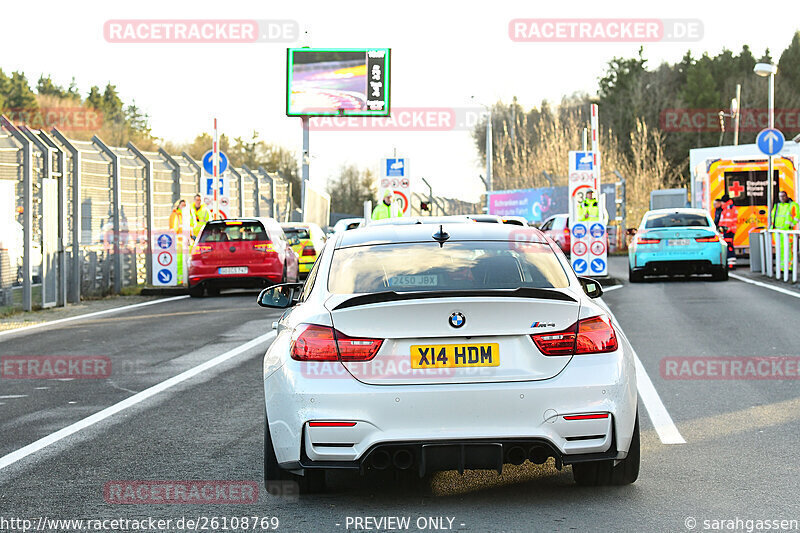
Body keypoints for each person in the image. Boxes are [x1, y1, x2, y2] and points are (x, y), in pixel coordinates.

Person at [771, 191, 800, 270]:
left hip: (788, 231)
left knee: (788, 249)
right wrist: (771, 227)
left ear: (786, 196)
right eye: (780, 196)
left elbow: (797, 216)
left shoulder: (792, 205)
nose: (782, 198)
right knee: (780, 249)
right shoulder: (777, 205)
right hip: (778, 231)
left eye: (783, 196)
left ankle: (789, 267)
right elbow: (773, 216)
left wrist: (791, 224)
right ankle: (782, 267)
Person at [168, 199, 186, 283]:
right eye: (182, 205)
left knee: (184, 262)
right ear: (178, 205)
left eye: (185, 205)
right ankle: (179, 280)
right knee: (179, 261)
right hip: (178, 242)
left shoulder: (185, 215)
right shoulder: (175, 215)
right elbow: (172, 230)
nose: (183, 207)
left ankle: (183, 279)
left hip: (185, 242)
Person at [718, 194, 738, 269]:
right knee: (728, 247)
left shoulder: (730, 209)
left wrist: (725, 229)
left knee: (729, 247)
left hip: (729, 231)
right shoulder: (726, 208)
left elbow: (729, 221)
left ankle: (731, 264)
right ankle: (730, 263)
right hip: (727, 230)